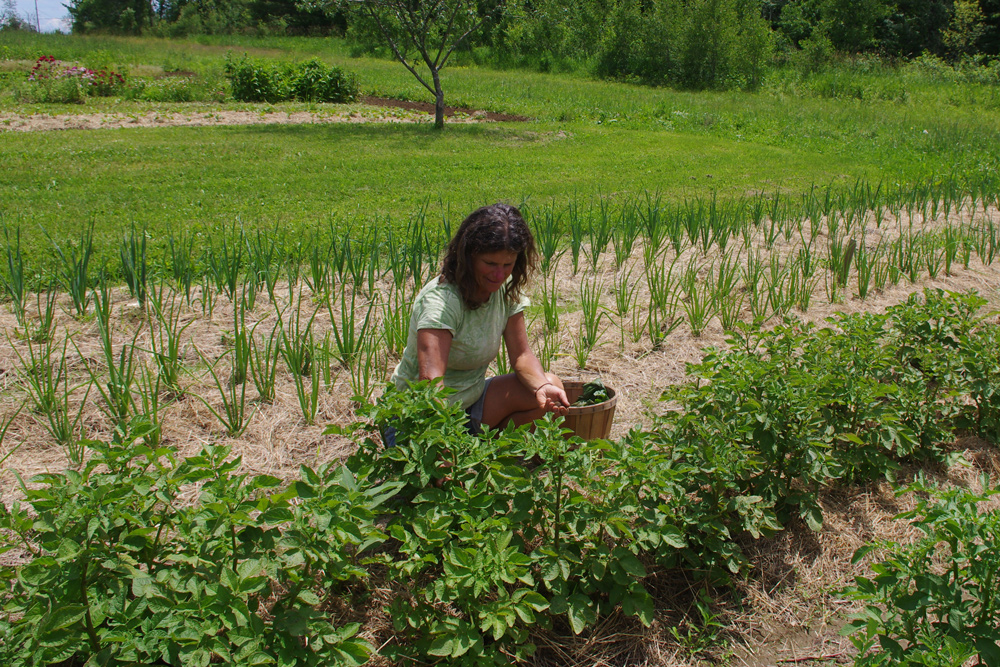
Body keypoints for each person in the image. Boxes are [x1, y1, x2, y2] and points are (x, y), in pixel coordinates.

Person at [388, 203, 569, 440]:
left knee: (549, 389)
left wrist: (541, 388)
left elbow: (522, 356)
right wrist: (442, 442)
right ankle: (460, 450)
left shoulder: (505, 291)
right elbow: (431, 383)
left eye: (508, 265)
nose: (499, 275)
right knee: (441, 470)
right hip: (419, 418)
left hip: (471, 402)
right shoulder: (442, 302)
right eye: (490, 264)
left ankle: (485, 452)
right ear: (468, 257)